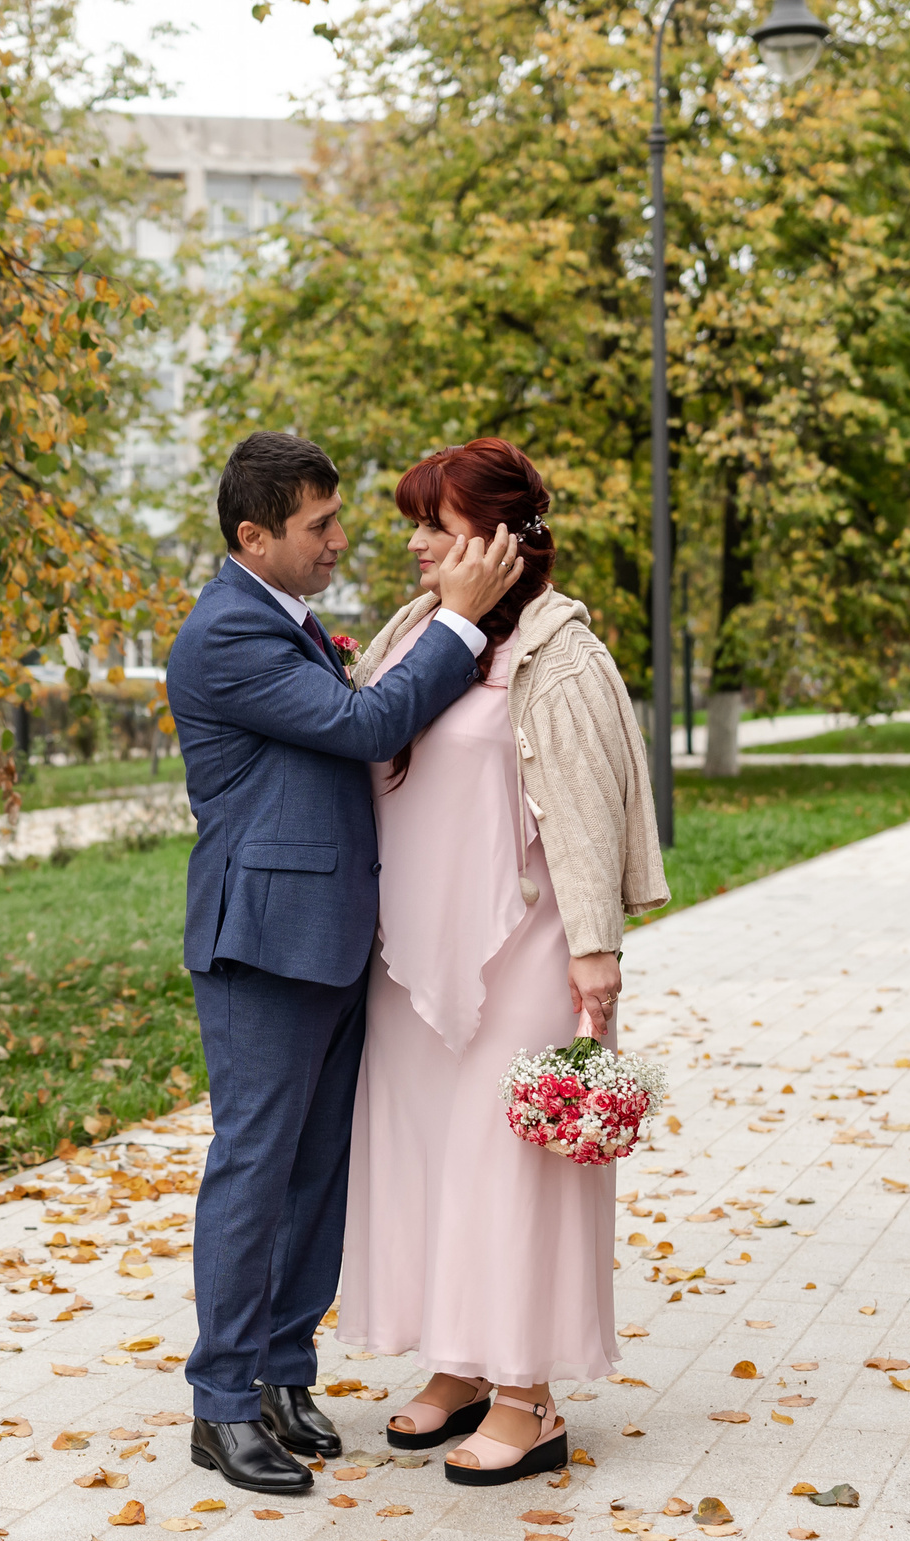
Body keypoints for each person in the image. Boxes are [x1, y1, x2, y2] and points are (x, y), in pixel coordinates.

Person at [166, 431, 523, 1496]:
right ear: (254, 535)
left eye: (335, 518)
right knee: (254, 1167)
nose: (339, 539)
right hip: (261, 944)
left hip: (325, 939)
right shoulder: (227, 633)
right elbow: (367, 725)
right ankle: (220, 1403)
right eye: (318, 525)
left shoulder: (290, 622)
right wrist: (459, 621)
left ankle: (281, 1371)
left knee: (316, 1173)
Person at [337, 437, 668, 1486]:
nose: (416, 543)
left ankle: (529, 1396)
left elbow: (585, 807)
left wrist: (594, 951)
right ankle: (460, 1363)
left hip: (523, 953)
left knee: (510, 1174)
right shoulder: (413, 631)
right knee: (435, 1163)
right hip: (412, 962)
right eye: (416, 523)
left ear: (498, 537)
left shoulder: (562, 649)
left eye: (436, 524)